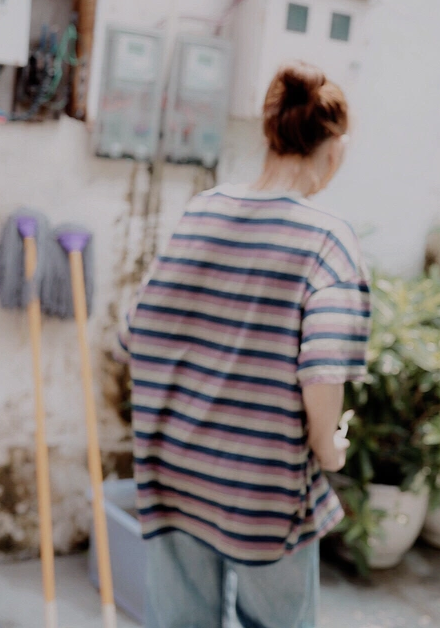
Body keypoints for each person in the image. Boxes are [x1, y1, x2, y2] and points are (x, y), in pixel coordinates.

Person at [116, 61, 371, 628]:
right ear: (334, 148)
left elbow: (135, 332)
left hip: (175, 469)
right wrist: (330, 449)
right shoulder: (327, 239)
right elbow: (322, 375)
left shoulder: (201, 210)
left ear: (270, 133)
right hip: (262, 487)